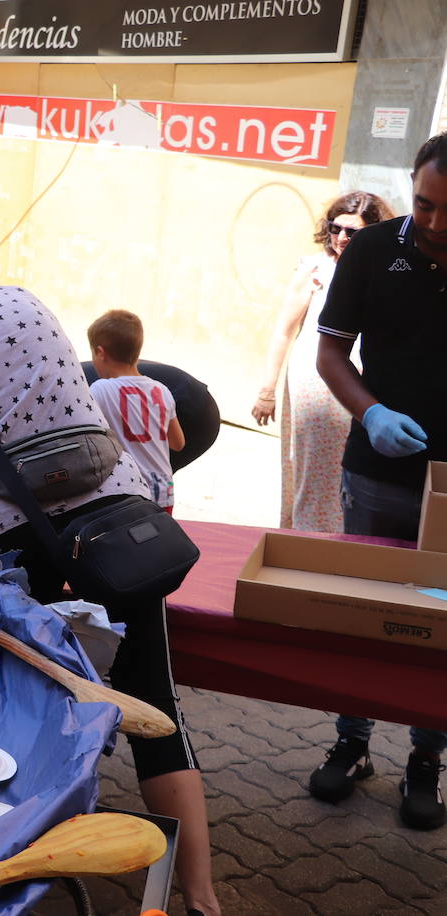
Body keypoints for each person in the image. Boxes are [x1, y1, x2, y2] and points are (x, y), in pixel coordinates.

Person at [0, 224, 221, 916]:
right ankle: (200, 897)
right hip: (120, 523)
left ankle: (5, 878)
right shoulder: (27, 302)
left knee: (23, 713)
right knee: (154, 703)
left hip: (23, 539)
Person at [310, 133, 447, 831]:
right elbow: (330, 350)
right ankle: (353, 741)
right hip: (379, 471)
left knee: (441, 624)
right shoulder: (371, 249)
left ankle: (428, 756)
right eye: (425, 205)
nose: (435, 224)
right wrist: (370, 411)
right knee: (361, 610)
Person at [251, 191, 393, 532]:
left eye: (353, 232)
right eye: (335, 228)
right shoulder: (315, 269)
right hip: (315, 383)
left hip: (363, 385)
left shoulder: (383, 269)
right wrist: (267, 389)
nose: (342, 238)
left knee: (350, 476)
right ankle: (307, 545)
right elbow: (284, 331)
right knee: (313, 473)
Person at [88, 310, 185, 512]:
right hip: (163, 491)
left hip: (130, 491)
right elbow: (178, 443)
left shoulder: (100, 389)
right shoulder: (162, 390)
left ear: (100, 352)